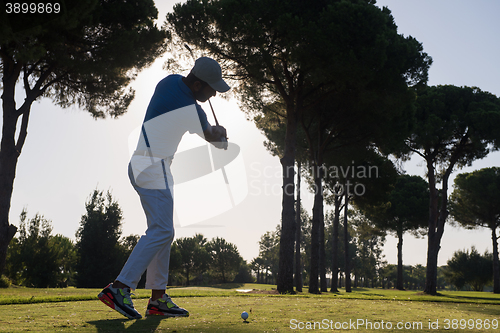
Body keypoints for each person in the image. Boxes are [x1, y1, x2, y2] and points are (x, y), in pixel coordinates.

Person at [98, 57, 230, 319]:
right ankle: (119, 288)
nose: (214, 93)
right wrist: (221, 135)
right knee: (162, 230)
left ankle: (158, 299)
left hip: (144, 163)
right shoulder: (193, 111)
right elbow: (214, 140)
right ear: (196, 84)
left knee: (163, 232)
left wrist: (214, 133)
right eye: (211, 88)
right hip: (152, 164)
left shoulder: (168, 81)